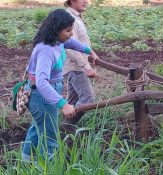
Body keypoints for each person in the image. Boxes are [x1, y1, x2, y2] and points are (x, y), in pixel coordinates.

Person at [22, 9, 99, 161]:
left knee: (37, 130)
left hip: (46, 93)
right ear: (56, 29)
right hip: (41, 95)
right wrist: (63, 104)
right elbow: (42, 82)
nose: (71, 33)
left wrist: (89, 51)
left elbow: (71, 42)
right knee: (50, 136)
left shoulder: (57, 41)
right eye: (68, 30)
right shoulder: (46, 50)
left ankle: (25, 164)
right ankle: (50, 167)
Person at [63, 0, 96, 124]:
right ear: (72, 1)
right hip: (74, 67)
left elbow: (80, 42)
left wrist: (91, 53)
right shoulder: (69, 18)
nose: (86, 1)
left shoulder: (77, 17)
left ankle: (58, 126)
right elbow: (70, 47)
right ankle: (65, 127)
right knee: (88, 99)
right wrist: (86, 67)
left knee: (71, 101)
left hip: (75, 66)